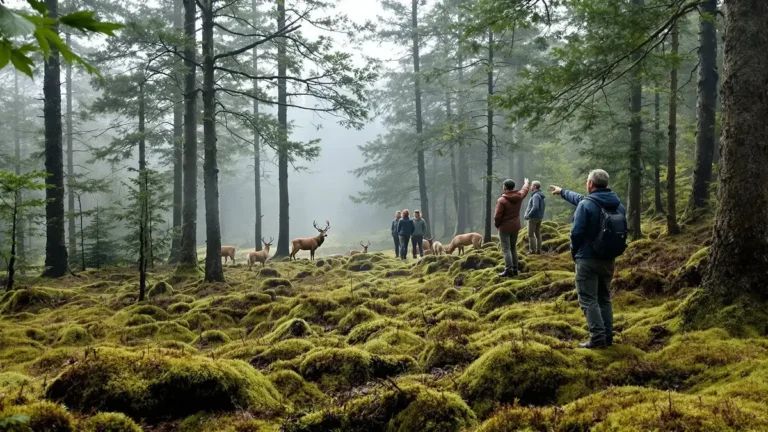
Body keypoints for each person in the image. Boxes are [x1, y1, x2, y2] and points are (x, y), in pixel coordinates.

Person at [550, 169, 626, 349]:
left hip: (587, 259)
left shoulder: (587, 205)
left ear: (591, 184)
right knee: (604, 298)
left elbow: (576, 233)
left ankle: (597, 339)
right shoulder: (617, 205)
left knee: (588, 300)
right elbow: (582, 200)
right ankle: (607, 337)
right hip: (609, 258)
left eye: (587, 181)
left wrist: (574, 253)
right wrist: (562, 192)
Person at [494, 178, 530, 277]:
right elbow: (524, 190)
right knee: (513, 247)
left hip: (504, 228)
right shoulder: (519, 196)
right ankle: (515, 269)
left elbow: (497, 216)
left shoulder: (501, 200)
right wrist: (526, 183)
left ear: (505, 187)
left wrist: (497, 225)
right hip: (515, 226)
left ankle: (508, 270)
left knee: (506, 249)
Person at [524, 181, 546, 254]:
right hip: (539, 217)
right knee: (537, 233)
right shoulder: (540, 195)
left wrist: (528, 215)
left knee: (530, 234)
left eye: (532, 185)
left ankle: (532, 250)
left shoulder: (536, 196)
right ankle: (538, 250)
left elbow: (535, 207)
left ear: (535, 187)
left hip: (533, 218)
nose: (530, 187)